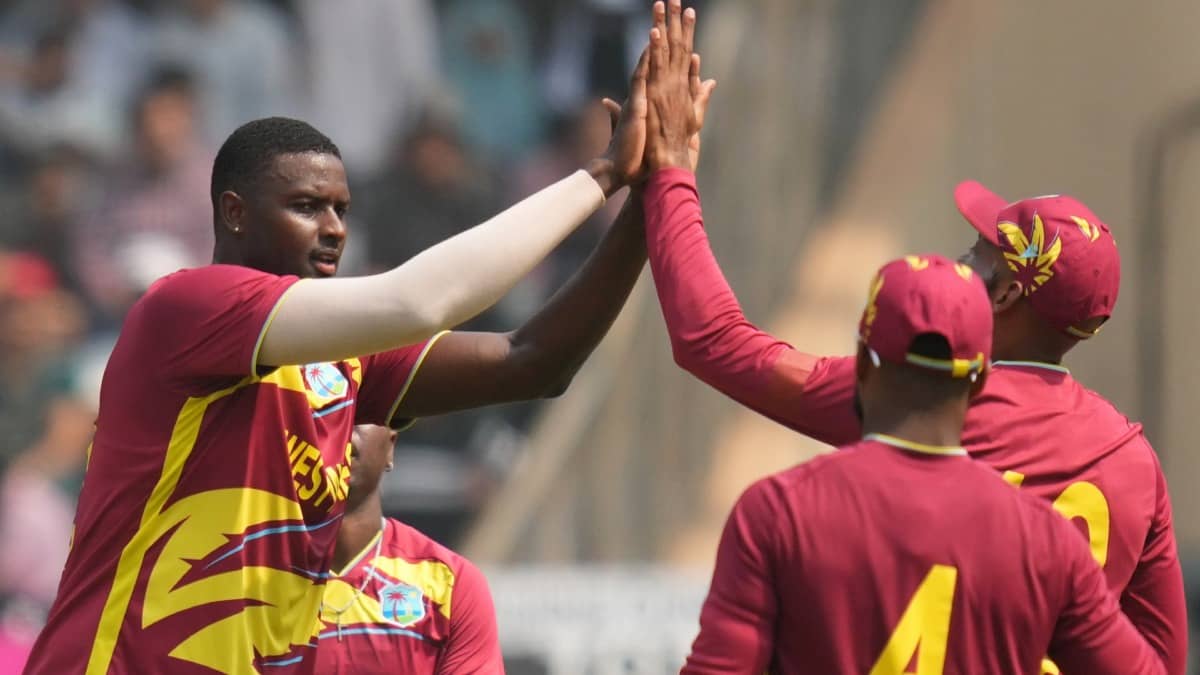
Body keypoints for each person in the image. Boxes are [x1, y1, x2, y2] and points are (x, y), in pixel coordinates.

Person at [23, 33, 666, 672]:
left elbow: (533, 360)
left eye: (341, 209)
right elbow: (417, 301)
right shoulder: (187, 309)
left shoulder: (345, 358)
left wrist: (641, 204)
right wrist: (601, 174)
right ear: (234, 212)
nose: (333, 229)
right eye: (306, 207)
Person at [637, 5, 1184, 674]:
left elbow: (712, 338)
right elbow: (1158, 661)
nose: (964, 260)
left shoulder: (922, 402)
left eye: (979, 254)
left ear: (1010, 293)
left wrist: (670, 172)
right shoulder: (1134, 463)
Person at [679, 253, 1165, 674]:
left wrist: (668, 175)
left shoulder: (777, 511)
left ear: (864, 365)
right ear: (978, 383)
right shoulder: (1049, 540)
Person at [315, 425, 501, 674]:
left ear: (390, 447)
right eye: (329, 412)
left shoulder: (451, 585)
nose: (346, 427)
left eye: (362, 413)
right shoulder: (252, 577)